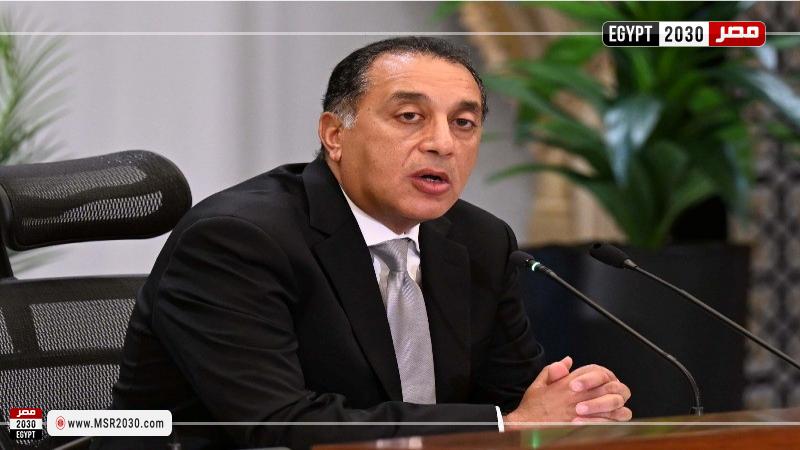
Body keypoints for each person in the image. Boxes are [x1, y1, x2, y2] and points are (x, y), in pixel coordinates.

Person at [104, 37, 631, 450]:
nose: (443, 143)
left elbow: (516, 399)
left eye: (464, 123)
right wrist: (505, 426)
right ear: (335, 135)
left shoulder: (481, 241)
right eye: (410, 117)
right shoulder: (238, 239)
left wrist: (574, 406)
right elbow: (277, 424)